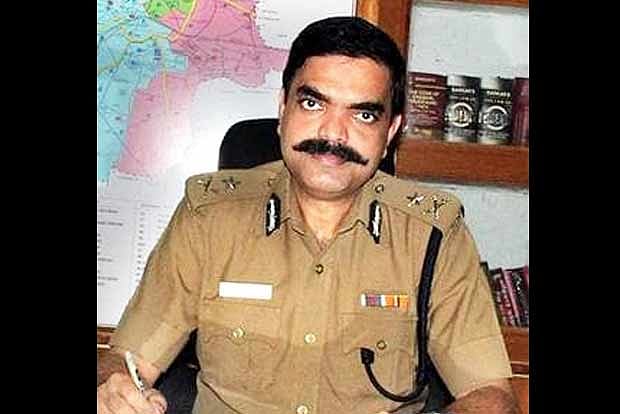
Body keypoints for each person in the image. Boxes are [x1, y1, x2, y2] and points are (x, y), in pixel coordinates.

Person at [97, 16, 521, 414]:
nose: (334, 134)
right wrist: (114, 387)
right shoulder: (207, 217)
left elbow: (489, 395)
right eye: (314, 103)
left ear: (390, 132)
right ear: (284, 108)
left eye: (364, 114)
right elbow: (127, 361)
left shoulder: (433, 232)